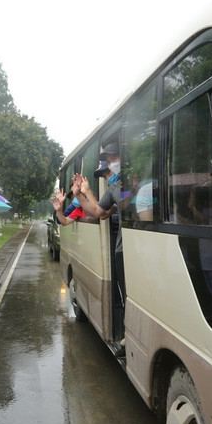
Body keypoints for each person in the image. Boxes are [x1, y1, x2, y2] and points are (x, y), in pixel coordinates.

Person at [72, 143, 127, 356]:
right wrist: (80, 194)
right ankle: (127, 338)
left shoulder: (131, 182)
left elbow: (102, 212)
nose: (111, 167)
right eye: (109, 161)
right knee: (126, 297)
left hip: (139, 249)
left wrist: (85, 192)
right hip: (124, 250)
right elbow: (98, 211)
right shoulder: (115, 188)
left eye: (114, 159)